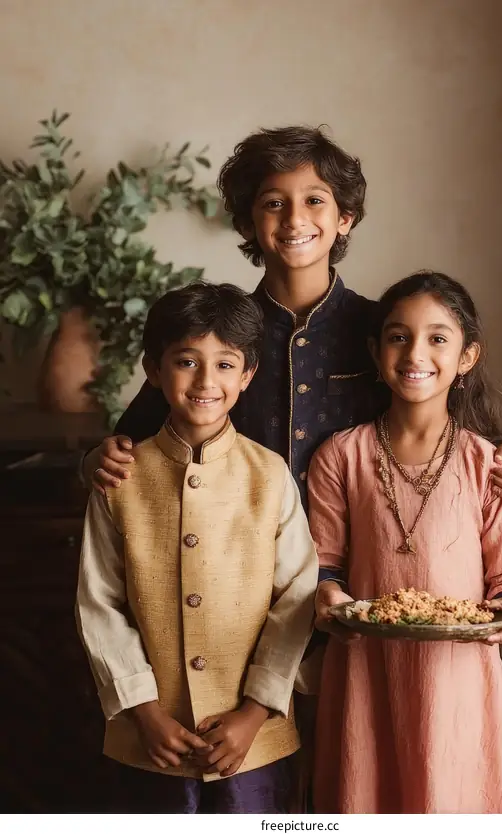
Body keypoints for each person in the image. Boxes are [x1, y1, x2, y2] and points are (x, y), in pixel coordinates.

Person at [83, 126, 502, 510]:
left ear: (345, 218)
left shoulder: (384, 331)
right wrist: (97, 460)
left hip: (360, 561)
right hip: (238, 555)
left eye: (314, 200)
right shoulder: (220, 332)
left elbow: (460, 425)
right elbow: (131, 436)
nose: (295, 219)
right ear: (247, 223)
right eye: (273, 203)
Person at [76, 282, 318, 814]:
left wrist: (255, 711)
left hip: (253, 740)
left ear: (247, 375)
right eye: (187, 361)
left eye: (226, 365)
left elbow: (298, 598)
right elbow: (99, 602)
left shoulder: (270, 475)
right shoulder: (119, 478)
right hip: (148, 739)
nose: (206, 381)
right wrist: (143, 710)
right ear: (154, 369)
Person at [309, 271, 502, 814]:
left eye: (438, 338)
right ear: (376, 351)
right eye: (398, 336)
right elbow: (323, 561)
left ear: (467, 356)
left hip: (458, 677)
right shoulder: (340, 456)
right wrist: (329, 596)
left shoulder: (489, 464)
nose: (415, 353)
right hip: (366, 670)